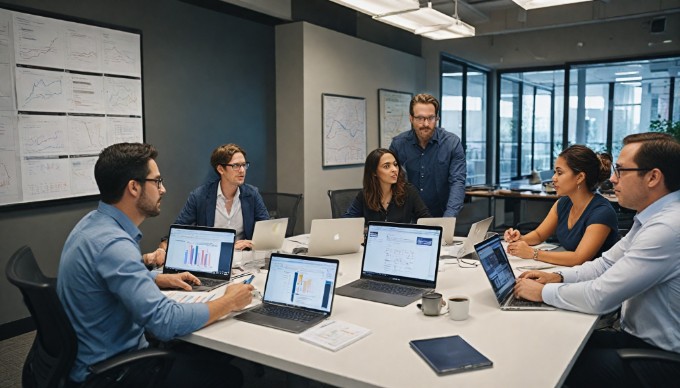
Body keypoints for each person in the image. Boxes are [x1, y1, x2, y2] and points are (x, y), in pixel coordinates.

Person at [57, 143, 254, 386]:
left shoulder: (93, 225)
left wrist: (157, 278)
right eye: (157, 181)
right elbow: (165, 322)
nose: (163, 189)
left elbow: (106, 277)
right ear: (133, 187)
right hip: (115, 372)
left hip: (91, 355)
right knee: (229, 376)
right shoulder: (113, 244)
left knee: (205, 354)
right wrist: (229, 301)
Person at [513, 133, 680, 386]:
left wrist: (542, 292)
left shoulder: (667, 228)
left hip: (660, 360)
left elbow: (600, 297)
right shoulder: (650, 218)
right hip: (635, 339)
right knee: (551, 339)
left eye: (621, 171)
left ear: (653, 177)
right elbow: (605, 264)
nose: (612, 178)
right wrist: (556, 276)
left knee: (548, 361)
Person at [504, 145, 619, 266]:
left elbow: (578, 258)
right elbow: (539, 235)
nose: (553, 178)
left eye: (559, 172)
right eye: (555, 172)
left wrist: (532, 253)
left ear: (579, 177)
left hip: (595, 280)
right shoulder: (563, 203)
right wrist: (520, 239)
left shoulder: (601, 212)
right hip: (572, 272)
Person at [161, 143, 270, 253]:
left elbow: (266, 231)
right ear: (220, 169)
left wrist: (252, 243)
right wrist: (163, 247)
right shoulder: (199, 196)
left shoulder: (252, 194)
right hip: (211, 257)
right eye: (236, 166)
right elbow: (178, 231)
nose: (242, 170)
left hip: (244, 260)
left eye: (244, 165)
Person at [389, 93, 466, 217]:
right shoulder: (398, 144)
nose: (425, 124)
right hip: (407, 216)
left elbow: (457, 182)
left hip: (441, 214)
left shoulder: (452, 143)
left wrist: (448, 219)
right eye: (420, 118)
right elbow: (389, 181)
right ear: (411, 118)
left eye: (431, 118)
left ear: (437, 118)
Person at [345, 148, 431, 224]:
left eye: (395, 164)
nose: (394, 169)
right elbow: (347, 221)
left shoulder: (409, 191)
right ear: (374, 172)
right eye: (386, 166)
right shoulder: (365, 195)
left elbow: (426, 220)